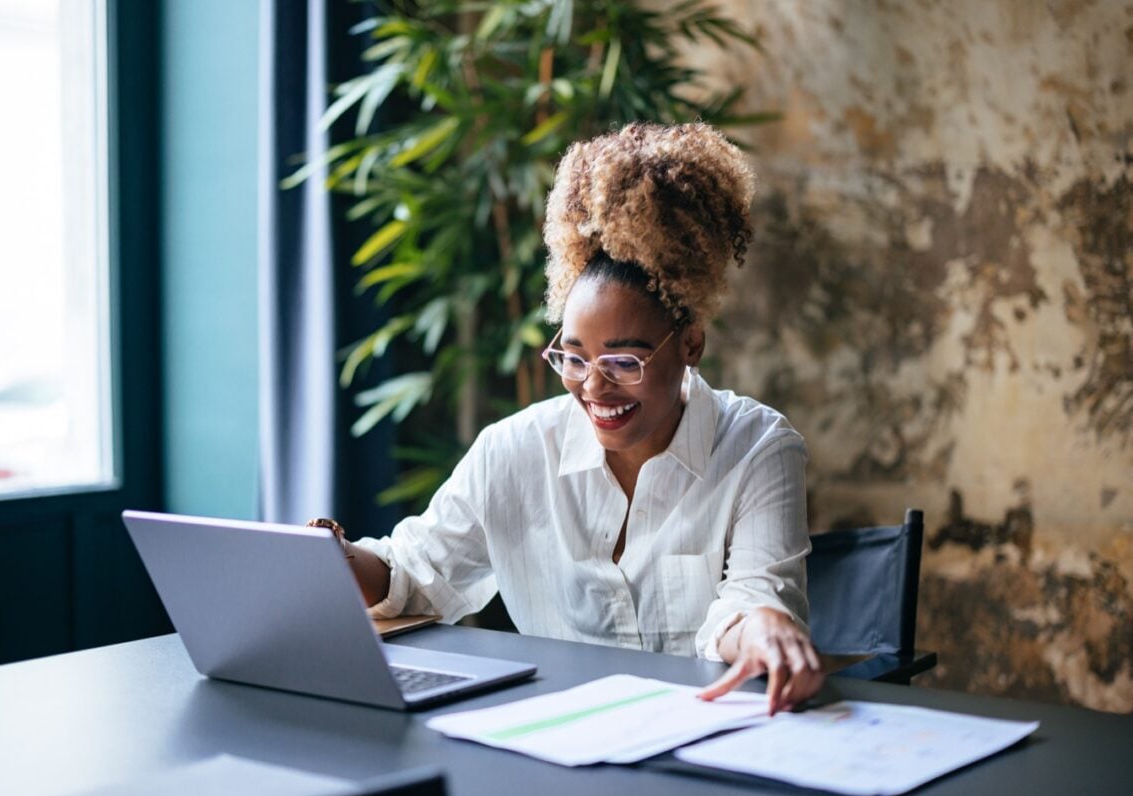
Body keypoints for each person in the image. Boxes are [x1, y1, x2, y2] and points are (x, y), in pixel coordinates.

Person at [330, 122, 823, 713]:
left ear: (690, 344)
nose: (592, 386)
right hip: (552, 740)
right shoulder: (511, 451)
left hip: (701, 736)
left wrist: (764, 625)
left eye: (623, 360)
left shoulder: (757, 447)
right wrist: (324, 553)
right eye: (574, 356)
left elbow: (755, 597)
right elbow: (412, 575)